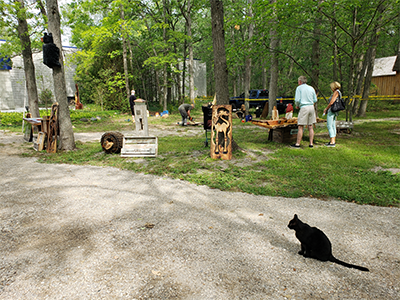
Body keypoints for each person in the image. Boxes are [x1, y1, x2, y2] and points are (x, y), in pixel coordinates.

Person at [291, 76, 318, 148]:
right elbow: (315, 100)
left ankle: (297, 144)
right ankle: (311, 144)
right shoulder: (311, 88)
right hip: (311, 107)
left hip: (304, 107)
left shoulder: (299, 88)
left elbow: (297, 100)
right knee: (310, 126)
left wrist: (297, 105)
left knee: (300, 126)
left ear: (300, 81)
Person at [323, 81, 341, 147]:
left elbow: (331, 102)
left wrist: (326, 109)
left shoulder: (336, 92)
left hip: (332, 111)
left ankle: (332, 142)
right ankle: (333, 140)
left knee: (329, 125)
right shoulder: (339, 92)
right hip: (335, 111)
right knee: (333, 125)